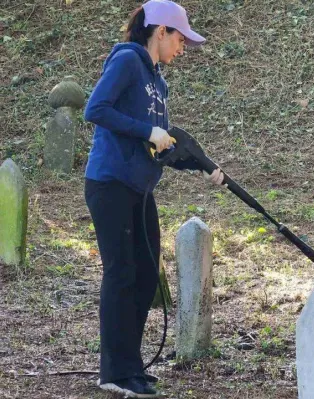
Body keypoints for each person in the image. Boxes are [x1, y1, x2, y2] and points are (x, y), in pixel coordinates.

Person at [83, 1, 223, 396]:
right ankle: (114, 371)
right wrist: (147, 131)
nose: (182, 48)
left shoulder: (158, 83)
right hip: (110, 184)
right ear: (160, 31)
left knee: (146, 276)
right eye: (180, 38)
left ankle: (131, 367)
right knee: (122, 273)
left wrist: (201, 164)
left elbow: (158, 146)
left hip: (140, 189)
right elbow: (96, 109)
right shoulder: (127, 62)